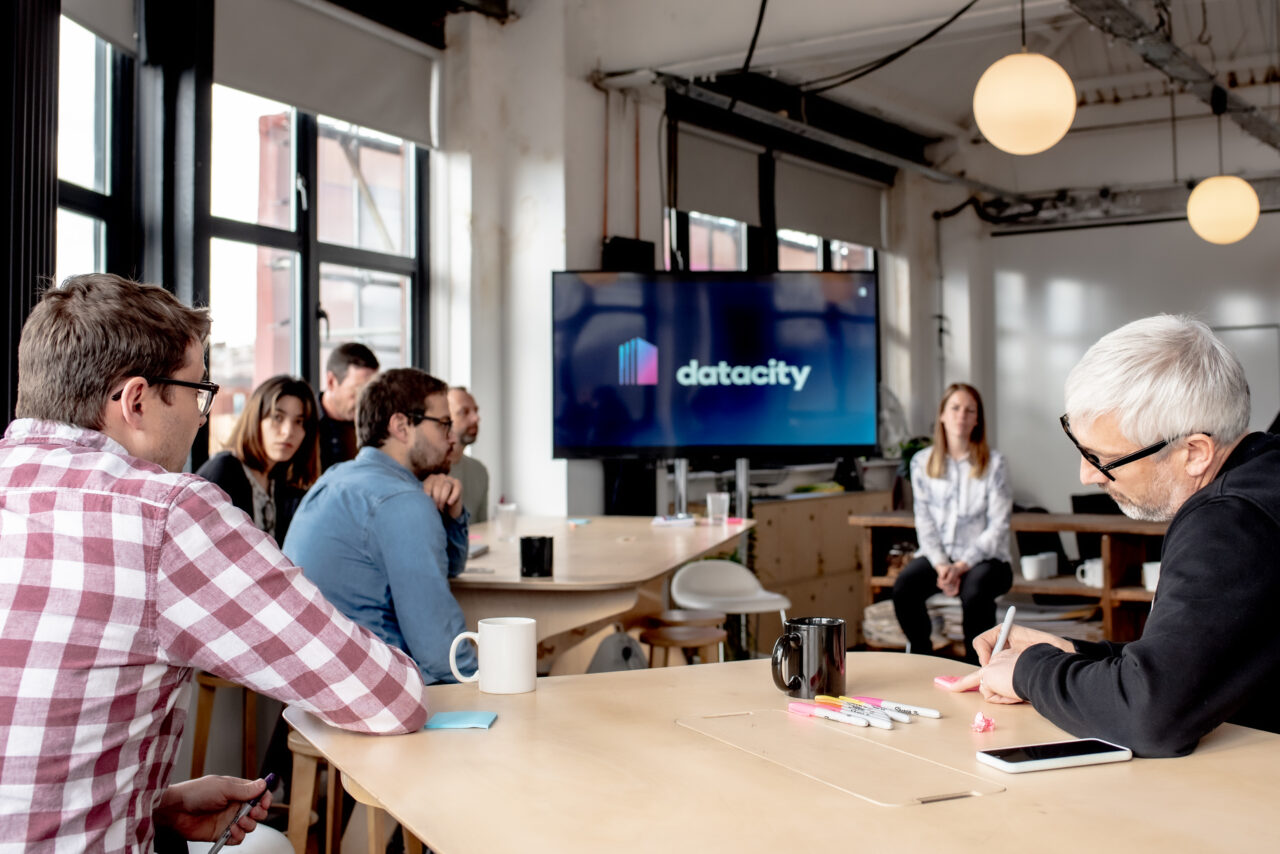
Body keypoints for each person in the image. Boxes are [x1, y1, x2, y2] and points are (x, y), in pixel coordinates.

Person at [0, 274, 429, 852]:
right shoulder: (163, 515)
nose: (203, 416)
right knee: (272, 847)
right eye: (198, 391)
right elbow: (385, 696)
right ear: (136, 401)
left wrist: (153, 805)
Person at [948, 314, 1280, 758]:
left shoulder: (1229, 522)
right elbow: (1199, 657)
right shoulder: (1263, 476)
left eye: (1103, 458)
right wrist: (1072, 653)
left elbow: (1152, 715)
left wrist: (1029, 671)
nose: (1086, 475)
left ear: (1194, 452)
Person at [284, 368, 475, 685]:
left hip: (313, 693)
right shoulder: (401, 502)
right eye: (443, 424)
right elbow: (443, 658)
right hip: (374, 694)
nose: (453, 439)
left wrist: (451, 515)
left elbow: (446, 567)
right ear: (402, 426)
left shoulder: (335, 478)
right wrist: (490, 688)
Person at [892, 383, 1013, 663]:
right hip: (940, 557)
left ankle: (978, 667)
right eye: (955, 408)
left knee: (975, 592)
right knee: (904, 588)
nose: (962, 415)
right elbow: (924, 521)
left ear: (977, 419)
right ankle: (922, 658)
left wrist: (961, 566)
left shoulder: (995, 464)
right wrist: (941, 564)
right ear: (942, 416)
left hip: (987, 559)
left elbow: (997, 527)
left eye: (970, 410)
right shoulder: (922, 463)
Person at [197, 375, 319, 545]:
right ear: (256, 419)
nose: (288, 431)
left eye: (299, 421)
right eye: (278, 417)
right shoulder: (224, 471)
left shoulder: (281, 482)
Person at [317, 342, 379, 471]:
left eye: (371, 391)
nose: (365, 401)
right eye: (357, 391)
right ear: (331, 382)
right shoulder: (303, 421)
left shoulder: (377, 424)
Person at [448, 385, 490, 522]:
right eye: (464, 412)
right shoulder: (425, 474)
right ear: (443, 419)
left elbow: (482, 532)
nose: (476, 418)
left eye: (475, 411)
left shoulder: (479, 471)